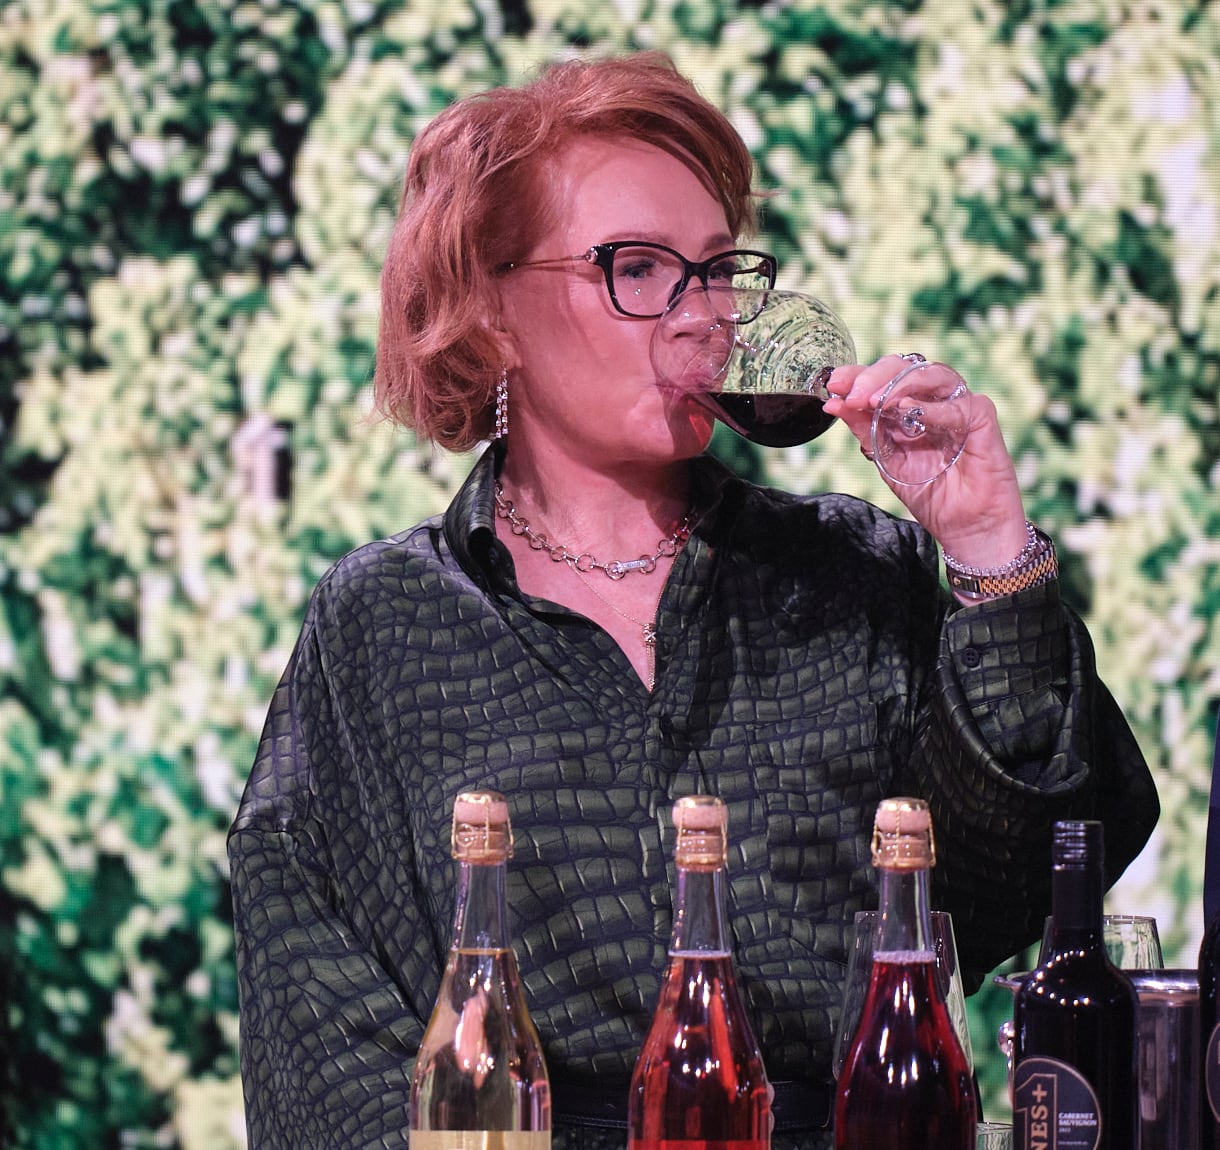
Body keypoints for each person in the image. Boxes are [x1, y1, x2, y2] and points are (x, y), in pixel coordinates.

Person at [227, 51, 1159, 1150]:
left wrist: (987, 547)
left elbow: (1035, 882)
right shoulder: (383, 628)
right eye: (635, 267)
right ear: (488, 305)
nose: (698, 315)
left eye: (714, 270)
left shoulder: (852, 574)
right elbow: (321, 1051)